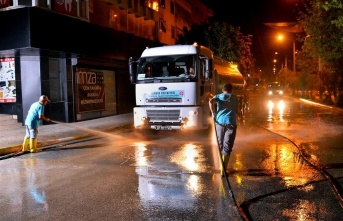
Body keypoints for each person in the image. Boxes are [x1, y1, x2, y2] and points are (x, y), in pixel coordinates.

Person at [208, 83, 239, 177]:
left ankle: (221, 168)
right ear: (231, 90)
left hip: (219, 123)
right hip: (231, 123)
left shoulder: (218, 96)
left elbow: (210, 101)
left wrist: (213, 113)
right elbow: (237, 111)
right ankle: (223, 170)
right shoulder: (235, 98)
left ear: (222, 90)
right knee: (227, 146)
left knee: (220, 144)